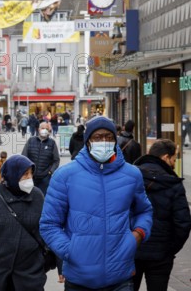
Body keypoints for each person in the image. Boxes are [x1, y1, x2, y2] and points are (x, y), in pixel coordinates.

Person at [40, 116, 153, 291]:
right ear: (87, 141)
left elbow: (144, 211)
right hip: (79, 279)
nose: (104, 141)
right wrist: (70, 251)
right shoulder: (65, 176)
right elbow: (49, 224)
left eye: (109, 137)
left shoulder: (132, 174)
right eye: (98, 137)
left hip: (120, 277)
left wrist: (137, 235)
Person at [0, 154, 46, 290]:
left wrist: (43, 262)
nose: (29, 178)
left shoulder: (37, 195)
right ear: (12, 174)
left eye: (31, 174)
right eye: (24, 174)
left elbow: (46, 230)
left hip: (29, 274)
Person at [133, 139, 191, 291]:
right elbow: (183, 223)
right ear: (165, 157)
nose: (174, 162)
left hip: (132, 249)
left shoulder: (131, 177)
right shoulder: (173, 183)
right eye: (174, 158)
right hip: (161, 255)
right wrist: (169, 249)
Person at [21, 122, 60, 195]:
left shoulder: (52, 143)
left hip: (45, 178)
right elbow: (24, 156)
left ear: (49, 131)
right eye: (43, 128)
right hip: (30, 176)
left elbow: (56, 160)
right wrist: (26, 171)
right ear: (39, 129)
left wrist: (50, 172)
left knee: (42, 198)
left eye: (46, 129)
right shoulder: (31, 140)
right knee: (29, 196)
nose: (44, 130)